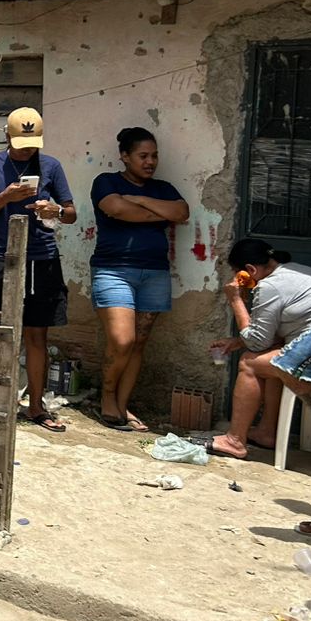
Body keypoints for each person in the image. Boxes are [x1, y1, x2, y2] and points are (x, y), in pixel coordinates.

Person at [0, 107, 76, 432]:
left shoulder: (51, 166)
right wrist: (6, 196)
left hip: (42, 259)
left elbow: (71, 213)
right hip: (2, 258)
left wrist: (55, 210)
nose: (28, 149)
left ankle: (36, 406)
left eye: (32, 143)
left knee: (37, 334)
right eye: (21, 142)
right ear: (7, 136)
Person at [208, 238, 311, 460]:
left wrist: (236, 300)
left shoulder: (269, 286)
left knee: (249, 362)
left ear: (249, 270)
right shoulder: (294, 271)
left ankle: (234, 440)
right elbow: (269, 336)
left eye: (237, 274)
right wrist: (236, 341)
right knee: (271, 353)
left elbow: (257, 342)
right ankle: (266, 432)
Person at [90, 126, 189, 432]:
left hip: (155, 272)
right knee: (123, 340)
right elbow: (118, 210)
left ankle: (123, 405)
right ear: (125, 157)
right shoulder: (106, 182)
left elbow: (182, 212)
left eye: (154, 155)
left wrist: (141, 201)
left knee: (139, 344)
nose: (150, 162)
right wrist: (158, 213)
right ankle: (105, 396)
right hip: (113, 270)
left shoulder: (163, 187)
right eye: (143, 156)